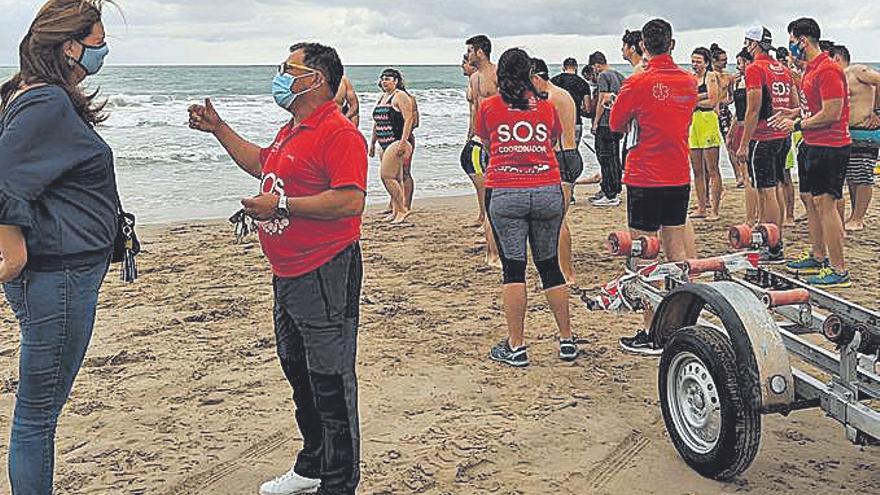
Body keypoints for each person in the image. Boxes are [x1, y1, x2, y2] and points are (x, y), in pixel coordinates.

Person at [188, 42, 367, 495]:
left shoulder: (338, 132)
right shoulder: (293, 129)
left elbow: (351, 199)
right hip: (287, 272)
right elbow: (261, 164)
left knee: (330, 377)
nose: (281, 75)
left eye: (289, 68)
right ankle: (312, 464)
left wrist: (283, 204)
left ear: (316, 80)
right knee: (298, 370)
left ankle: (340, 481)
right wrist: (219, 128)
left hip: (325, 269)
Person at [0, 1, 117, 493]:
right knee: (37, 416)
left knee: (39, 411)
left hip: (62, 275)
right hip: (57, 277)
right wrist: (14, 253)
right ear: (70, 45)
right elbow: (4, 180)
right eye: (97, 41)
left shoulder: (27, 94)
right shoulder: (45, 101)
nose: (104, 50)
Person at [475, 48, 575, 367]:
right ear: (530, 73)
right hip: (546, 188)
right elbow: (553, 139)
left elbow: (487, 144)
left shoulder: (489, 106)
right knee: (549, 266)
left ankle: (516, 346)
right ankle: (567, 339)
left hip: (506, 191)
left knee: (513, 269)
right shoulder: (544, 107)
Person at [610, 18, 699, 355]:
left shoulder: (638, 82)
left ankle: (652, 330)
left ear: (644, 46)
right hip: (678, 171)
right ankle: (680, 325)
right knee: (677, 252)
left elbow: (616, 124)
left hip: (646, 174)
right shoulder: (689, 81)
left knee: (646, 253)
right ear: (672, 44)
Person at [773, 18, 852, 288]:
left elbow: (832, 112)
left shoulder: (828, 69)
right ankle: (818, 255)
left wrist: (795, 124)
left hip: (830, 146)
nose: (791, 47)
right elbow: (814, 107)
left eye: (792, 41)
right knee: (812, 201)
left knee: (826, 204)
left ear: (803, 41)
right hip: (811, 143)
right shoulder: (810, 69)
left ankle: (839, 268)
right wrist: (794, 112)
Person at [736, 26, 795, 264]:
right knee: (777, 187)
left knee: (766, 190)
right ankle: (774, 239)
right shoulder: (781, 68)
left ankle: (773, 244)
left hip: (763, 136)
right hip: (782, 133)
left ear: (753, 44)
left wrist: (743, 143)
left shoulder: (755, 69)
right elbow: (791, 102)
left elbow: (753, 109)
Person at [532, 57, 584, 285]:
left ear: (535, 77)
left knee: (557, 220)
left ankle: (567, 273)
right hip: (571, 155)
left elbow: (548, 135)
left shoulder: (550, 99)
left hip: (561, 158)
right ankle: (562, 268)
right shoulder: (563, 94)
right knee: (556, 219)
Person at [831, 45, 880, 232]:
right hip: (848, 132)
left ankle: (858, 218)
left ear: (836, 58)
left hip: (865, 130)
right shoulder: (839, 77)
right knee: (852, 176)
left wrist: (877, 111)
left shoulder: (857, 71)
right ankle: (854, 214)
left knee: (863, 177)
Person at [466, 35, 501, 266]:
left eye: (470, 51)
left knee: (496, 190)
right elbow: (476, 109)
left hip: (500, 138)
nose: (467, 55)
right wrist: (471, 133)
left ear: (480, 52)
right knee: (487, 187)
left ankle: (496, 243)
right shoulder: (475, 78)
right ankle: (490, 234)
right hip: (482, 138)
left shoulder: (497, 72)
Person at [370, 68, 414, 224]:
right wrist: (373, 142)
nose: (384, 81)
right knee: (397, 178)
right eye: (382, 79)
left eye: (388, 79)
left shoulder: (400, 96)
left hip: (396, 141)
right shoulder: (382, 97)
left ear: (396, 81)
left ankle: (402, 209)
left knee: (386, 176)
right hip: (383, 142)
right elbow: (377, 123)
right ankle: (396, 211)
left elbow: (409, 119)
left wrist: (403, 141)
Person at [689, 46, 724, 220]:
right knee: (697, 169)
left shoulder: (710, 76)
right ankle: (702, 206)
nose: (695, 64)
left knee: (712, 169)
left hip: (707, 120)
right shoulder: (690, 78)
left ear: (706, 63)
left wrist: (694, 100)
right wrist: (697, 99)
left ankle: (715, 210)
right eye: (693, 61)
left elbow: (712, 100)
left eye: (698, 61)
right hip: (693, 123)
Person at [590, 51, 626, 206]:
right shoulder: (619, 75)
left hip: (605, 123)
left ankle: (610, 193)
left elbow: (602, 100)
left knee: (605, 157)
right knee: (614, 157)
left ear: (597, 64)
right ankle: (614, 190)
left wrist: (595, 122)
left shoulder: (603, 76)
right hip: (617, 122)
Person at [729, 48, 760, 224]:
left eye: (740, 63)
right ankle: (752, 217)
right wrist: (731, 132)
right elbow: (739, 112)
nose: (739, 66)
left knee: (750, 177)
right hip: (741, 125)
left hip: (751, 128)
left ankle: (751, 219)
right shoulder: (740, 81)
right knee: (747, 175)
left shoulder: (754, 79)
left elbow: (753, 110)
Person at [459, 55, 490, 226]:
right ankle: (482, 214)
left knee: (479, 176)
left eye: (464, 63)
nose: (461, 66)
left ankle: (485, 216)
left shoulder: (481, 80)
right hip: (475, 132)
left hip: (481, 136)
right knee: (477, 174)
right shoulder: (473, 81)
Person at [550, 57, 591, 148]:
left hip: (557, 123)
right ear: (576, 67)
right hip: (575, 122)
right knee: (573, 152)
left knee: (557, 153)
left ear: (563, 67)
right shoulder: (583, 83)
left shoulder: (554, 81)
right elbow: (587, 108)